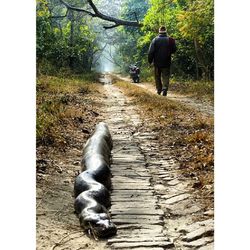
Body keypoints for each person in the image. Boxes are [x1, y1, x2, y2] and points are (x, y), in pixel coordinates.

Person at [148, 26, 177, 96]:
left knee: (157, 76)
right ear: (166, 31)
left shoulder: (155, 40)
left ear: (159, 32)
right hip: (167, 61)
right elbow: (175, 49)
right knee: (166, 76)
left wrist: (150, 61)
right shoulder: (170, 40)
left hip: (157, 63)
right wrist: (169, 52)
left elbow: (150, 52)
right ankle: (165, 89)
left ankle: (159, 90)